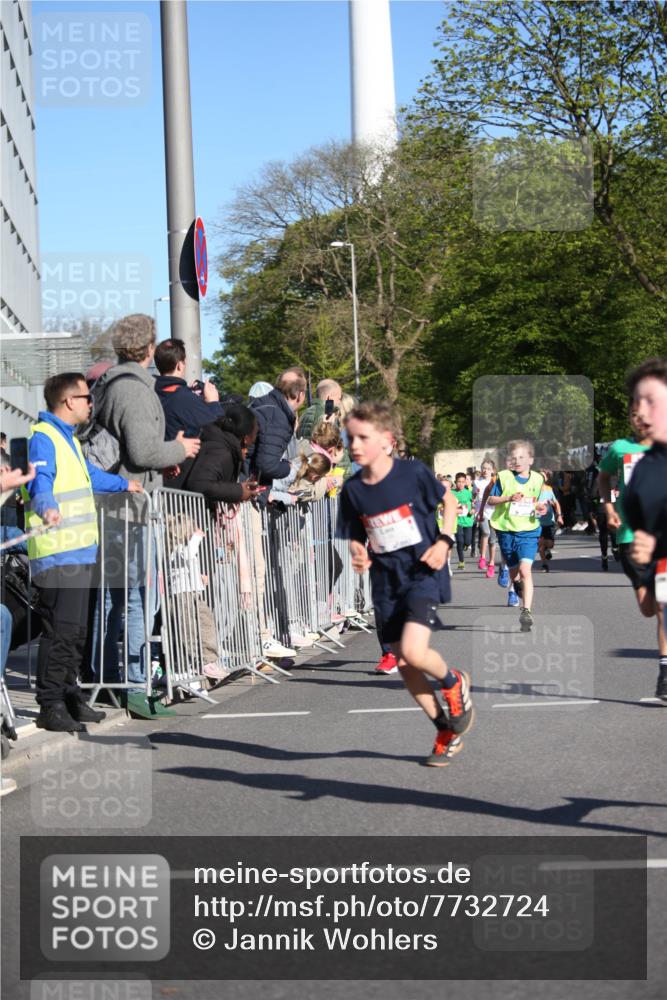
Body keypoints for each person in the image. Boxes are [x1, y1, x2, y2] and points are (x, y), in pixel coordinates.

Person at [338, 401, 474, 767]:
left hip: (421, 573)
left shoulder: (412, 473)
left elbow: (448, 502)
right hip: (385, 581)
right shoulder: (352, 490)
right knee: (404, 664)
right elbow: (354, 533)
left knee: (414, 651)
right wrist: (357, 553)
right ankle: (444, 729)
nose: (354, 445)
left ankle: (453, 681)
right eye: (350, 438)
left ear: (387, 440)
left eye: (362, 437)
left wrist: (444, 542)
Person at [20, 373, 143, 731]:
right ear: (69, 401)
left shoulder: (66, 439)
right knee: (61, 631)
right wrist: (46, 507)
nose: (91, 403)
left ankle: (70, 694)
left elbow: (89, 476)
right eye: (87, 397)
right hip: (57, 553)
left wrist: (125, 484)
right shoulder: (44, 438)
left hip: (79, 552)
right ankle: (51, 704)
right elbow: (40, 480)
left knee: (76, 632)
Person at [93, 314, 200, 718]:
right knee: (137, 600)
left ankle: (106, 679)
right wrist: (179, 450)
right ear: (150, 348)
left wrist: (160, 459)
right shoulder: (135, 390)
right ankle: (135, 687)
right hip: (129, 509)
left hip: (116, 504)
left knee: (113, 600)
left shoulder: (111, 384)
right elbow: (140, 452)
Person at [619, 359, 667, 702]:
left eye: (651, 400)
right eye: (637, 402)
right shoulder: (643, 469)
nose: (641, 411)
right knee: (656, 608)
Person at [487, 440, 547, 631]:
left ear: (531, 459)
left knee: (525, 571)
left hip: (529, 530)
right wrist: (508, 498)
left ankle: (526, 611)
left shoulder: (538, 479)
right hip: (506, 530)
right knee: (515, 574)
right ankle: (517, 584)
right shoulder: (504, 477)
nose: (517, 460)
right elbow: (490, 499)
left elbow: (537, 502)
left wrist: (541, 508)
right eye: (514, 457)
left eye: (522, 457)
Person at [184, 405, 262, 505]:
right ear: (246, 438)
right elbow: (200, 484)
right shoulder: (220, 451)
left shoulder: (220, 443)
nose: (255, 438)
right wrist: (239, 491)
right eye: (255, 433)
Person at [154, 338, 223, 440]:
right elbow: (218, 431)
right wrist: (213, 403)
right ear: (179, 365)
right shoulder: (184, 398)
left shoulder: (149, 394)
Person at [473, 460, 497, 577]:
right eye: (483, 468)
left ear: (492, 470)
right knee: (486, 532)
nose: (485, 470)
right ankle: (482, 557)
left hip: (494, 512)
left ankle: (491, 563)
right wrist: (473, 506)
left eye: (488, 468)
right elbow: (473, 496)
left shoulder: (495, 482)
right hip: (481, 512)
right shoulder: (477, 482)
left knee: (493, 540)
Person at [537, 470, 563, 572]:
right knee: (540, 544)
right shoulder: (533, 490)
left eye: (543, 477)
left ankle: (547, 549)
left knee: (550, 544)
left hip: (549, 521)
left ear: (546, 479)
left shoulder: (549, 489)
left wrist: (559, 516)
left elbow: (556, 503)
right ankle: (544, 565)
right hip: (537, 522)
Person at [452, 472, 474, 570]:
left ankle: (467, 545)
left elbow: (474, 503)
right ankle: (461, 561)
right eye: (458, 482)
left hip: (468, 520)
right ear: (455, 482)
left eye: (462, 482)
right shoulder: (452, 493)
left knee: (468, 541)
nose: (460, 484)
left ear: (465, 482)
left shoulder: (468, 492)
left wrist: (473, 509)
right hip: (457, 520)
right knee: (459, 541)